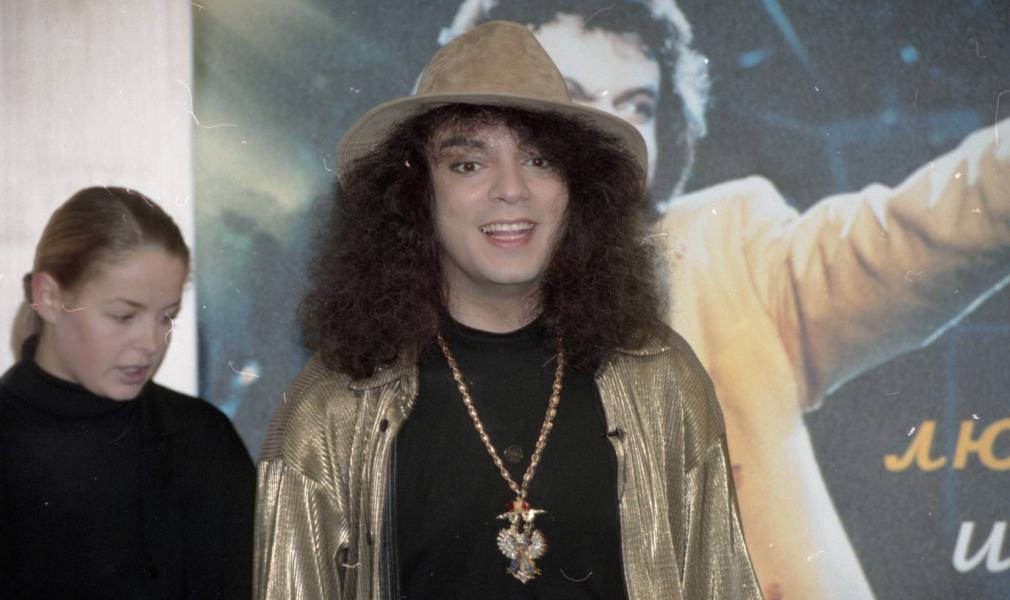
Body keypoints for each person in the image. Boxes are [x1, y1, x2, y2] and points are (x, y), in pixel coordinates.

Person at [440, 2, 1010, 599]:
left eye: (637, 106)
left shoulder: (726, 247)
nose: (612, 134)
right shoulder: (405, 347)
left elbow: (928, 229)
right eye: (569, 100)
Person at [255, 21, 761, 599]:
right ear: (415, 193)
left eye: (540, 160)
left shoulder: (662, 380)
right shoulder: (332, 409)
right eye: (469, 164)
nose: (512, 189)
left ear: (577, 186)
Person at [0, 187, 255, 599]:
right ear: (48, 297)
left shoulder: (202, 440)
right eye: (123, 316)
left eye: (166, 317)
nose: (152, 344)